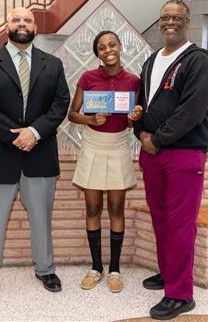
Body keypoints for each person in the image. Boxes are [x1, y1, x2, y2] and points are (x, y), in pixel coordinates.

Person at [0, 7, 70, 305]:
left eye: (27, 20)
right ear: (7, 26)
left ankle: (45, 269)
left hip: (39, 154)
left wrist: (35, 132)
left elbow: (60, 103)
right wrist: (17, 136)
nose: (22, 24)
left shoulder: (52, 64)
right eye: (16, 20)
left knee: (41, 217)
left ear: (35, 27)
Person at [133, 0, 208, 320]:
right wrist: (140, 132)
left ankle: (181, 294)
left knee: (180, 224)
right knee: (161, 219)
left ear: (187, 22)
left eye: (176, 17)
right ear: (159, 22)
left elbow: (191, 111)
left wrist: (158, 139)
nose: (170, 22)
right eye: (165, 17)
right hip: (152, 153)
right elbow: (142, 102)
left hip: (183, 153)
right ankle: (168, 274)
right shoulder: (153, 60)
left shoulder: (196, 60)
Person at [68, 30, 142, 293]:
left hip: (119, 145)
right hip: (92, 145)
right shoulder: (88, 78)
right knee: (92, 208)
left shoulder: (134, 80)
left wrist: (134, 117)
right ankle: (96, 267)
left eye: (112, 44)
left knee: (116, 209)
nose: (108, 50)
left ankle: (114, 269)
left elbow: (135, 118)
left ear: (120, 47)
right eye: (101, 47)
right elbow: (72, 114)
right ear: (97, 52)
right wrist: (90, 119)